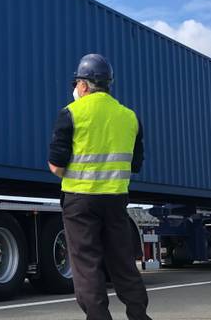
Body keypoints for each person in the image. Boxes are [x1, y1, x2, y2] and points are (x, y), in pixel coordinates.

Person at [48, 53, 151, 320]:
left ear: (83, 85)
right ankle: (139, 315)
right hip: (116, 200)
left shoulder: (71, 113)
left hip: (79, 201)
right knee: (123, 262)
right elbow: (135, 165)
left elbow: (56, 165)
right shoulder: (130, 117)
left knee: (87, 265)